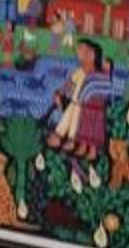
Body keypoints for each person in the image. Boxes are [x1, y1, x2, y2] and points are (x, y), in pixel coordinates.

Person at [47, 36, 115, 172]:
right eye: (78, 50)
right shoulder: (79, 71)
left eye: (81, 50)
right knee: (65, 120)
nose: (78, 53)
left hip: (85, 106)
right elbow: (70, 84)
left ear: (91, 55)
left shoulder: (95, 74)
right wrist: (60, 92)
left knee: (77, 126)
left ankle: (74, 143)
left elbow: (101, 88)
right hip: (74, 102)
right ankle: (58, 138)